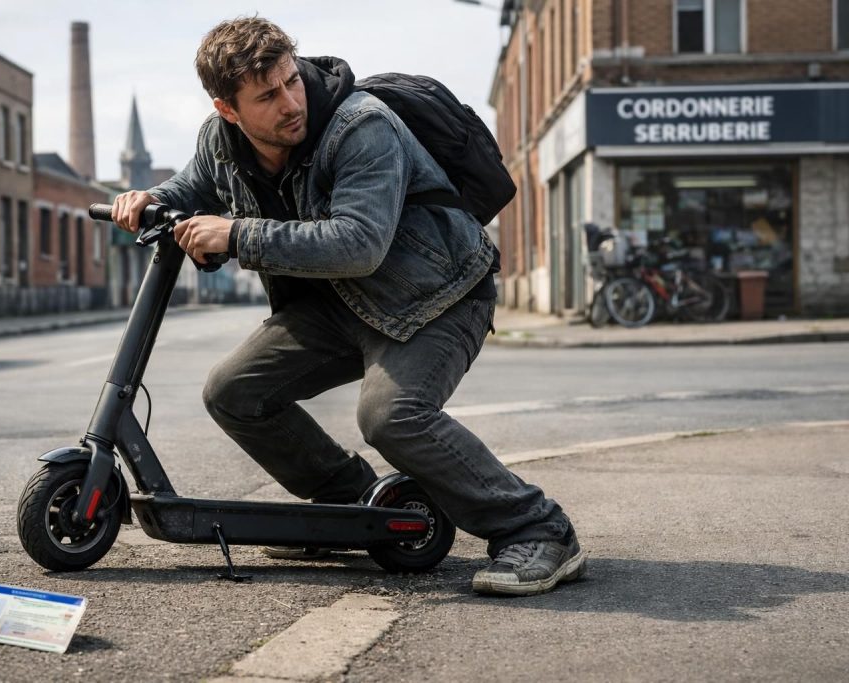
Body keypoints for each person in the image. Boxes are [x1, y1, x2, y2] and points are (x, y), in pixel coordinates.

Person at [112, 16, 587, 596]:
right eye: (267, 96)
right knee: (234, 393)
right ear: (227, 109)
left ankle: (537, 528)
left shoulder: (361, 126)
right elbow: (192, 186)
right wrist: (150, 198)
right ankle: (354, 509)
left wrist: (236, 234)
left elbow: (359, 244)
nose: (291, 103)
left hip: (437, 295)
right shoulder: (220, 140)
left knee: (392, 416)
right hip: (341, 304)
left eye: (291, 80)